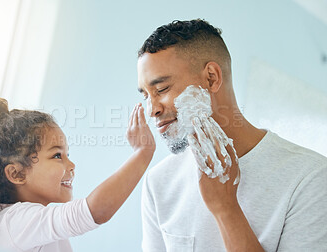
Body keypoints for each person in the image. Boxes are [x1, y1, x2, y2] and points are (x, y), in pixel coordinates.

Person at [137, 19, 327, 252]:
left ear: (211, 78)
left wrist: (225, 208)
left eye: (162, 89)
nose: (151, 109)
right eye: (146, 95)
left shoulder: (310, 178)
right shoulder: (158, 182)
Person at [0, 96, 155, 252]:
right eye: (57, 156)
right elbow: (94, 211)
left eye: (67, 154)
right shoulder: (13, 221)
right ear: (16, 173)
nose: (71, 165)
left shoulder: (20, 221)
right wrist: (142, 153)